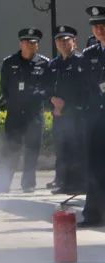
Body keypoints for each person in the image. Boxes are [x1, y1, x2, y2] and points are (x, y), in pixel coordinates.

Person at [0, 28, 50, 194]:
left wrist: (35, 96)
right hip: (15, 114)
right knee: (10, 149)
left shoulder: (44, 63)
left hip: (34, 114)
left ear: (37, 46)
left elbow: (47, 88)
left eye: (33, 43)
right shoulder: (9, 62)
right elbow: (4, 88)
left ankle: (28, 184)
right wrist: (14, 101)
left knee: (32, 150)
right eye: (27, 42)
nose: (30, 45)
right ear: (21, 43)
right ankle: (2, 184)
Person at [47, 26, 86, 195]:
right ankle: (63, 183)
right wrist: (52, 103)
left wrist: (66, 105)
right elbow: (46, 87)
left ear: (74, 41)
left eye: (66, 40)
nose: (62, 43)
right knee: (62, 149)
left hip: (77, 114)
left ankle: (79, 185)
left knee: (77, 149)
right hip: (58, 115)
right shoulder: (53, 64)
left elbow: (85, 90)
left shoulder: (81, 61)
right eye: (59, 40)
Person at [78, 6, 105, 227]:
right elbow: (84, 88)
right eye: (96, 27)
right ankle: (93, 214)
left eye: (103, 25)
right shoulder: (89, 55)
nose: (100, 30)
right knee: (94, 167)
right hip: (95, 119)